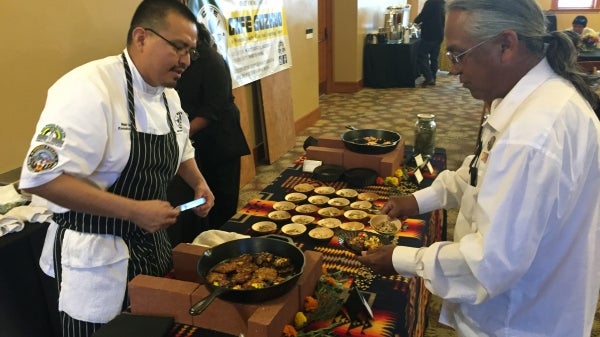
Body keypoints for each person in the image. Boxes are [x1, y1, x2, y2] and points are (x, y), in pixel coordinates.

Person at [357, 0, 600, 335]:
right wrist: (416, 201)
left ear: (506, 45)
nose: (454, 69)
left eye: (459, 55)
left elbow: (489, 263)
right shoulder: (526, 100)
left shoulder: (531, 134)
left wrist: (401, 259)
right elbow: (479, 173)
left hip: (520, 319)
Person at [18, 0, 215, 335]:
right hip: (97, 259)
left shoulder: (168, 95)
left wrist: (198, 182)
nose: (185, 60)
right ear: (141, 38)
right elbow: (40, 178)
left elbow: (182, 146)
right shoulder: (87, 88)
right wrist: (133, 210)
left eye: (190, 51)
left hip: (152, 248)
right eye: (178, 47)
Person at [172, 22, 250, 232]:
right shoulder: (174, 64)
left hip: (221, 141)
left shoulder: (213, 62)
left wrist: (181, 134)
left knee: (223, 201)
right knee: (200, 199)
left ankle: (223, 239)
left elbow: (213, 110)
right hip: (195, 144)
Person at [414, 0, 445, 86]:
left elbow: (423, 15)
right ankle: (433, 78)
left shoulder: (430, 2)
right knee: (434, 58)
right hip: (439, 34)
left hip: (429, 33)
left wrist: (415, 21)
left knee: (421, 54)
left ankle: (429, 77)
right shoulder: (442, 3)